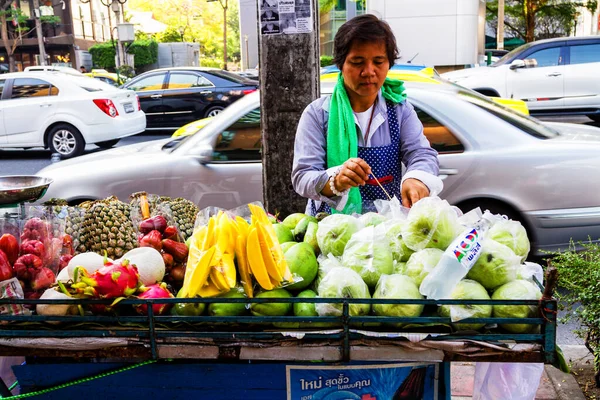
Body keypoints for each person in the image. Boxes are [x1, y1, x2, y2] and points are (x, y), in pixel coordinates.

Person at [292, 14, 442, 216]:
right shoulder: (318, 115)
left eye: (378, 61)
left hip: (386, 229)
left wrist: (416, 178)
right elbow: (303, 177)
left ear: (389, 63)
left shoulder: (400, 111)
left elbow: (422, 153)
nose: (369, 71)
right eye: (357, 62)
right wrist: (335, 180)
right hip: (330, 229)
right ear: (341, 64)